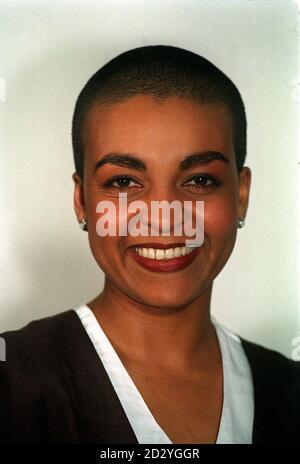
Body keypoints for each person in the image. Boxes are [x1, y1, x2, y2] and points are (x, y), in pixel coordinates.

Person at [0, 45, 299, 444]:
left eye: (200, 180)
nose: (164, 216)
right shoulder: (12, 382)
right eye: (123, 182)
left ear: (240, 196)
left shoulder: (290, 390)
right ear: (82, 201)